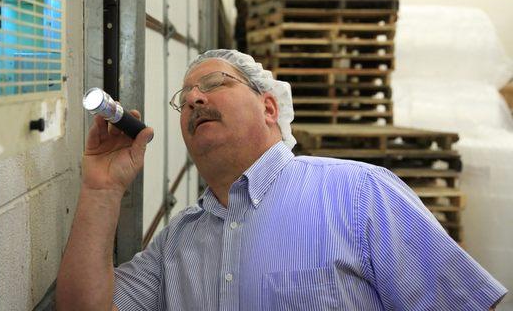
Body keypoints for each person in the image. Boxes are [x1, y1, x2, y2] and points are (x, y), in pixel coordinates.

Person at [56, 49, 508, 310]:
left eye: (214, 84)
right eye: (185, 98)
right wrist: (102, 189)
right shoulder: (176, 244)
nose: (193, 98)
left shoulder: (358, 194)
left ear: (269, 108)